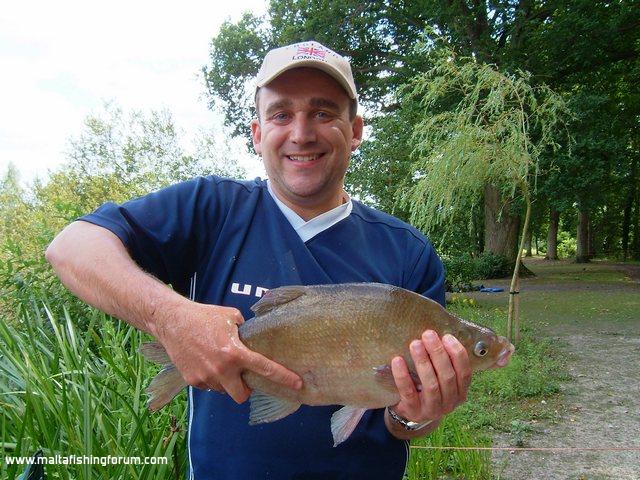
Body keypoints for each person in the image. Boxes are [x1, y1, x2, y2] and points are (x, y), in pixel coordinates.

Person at [46, 40, 508, 479]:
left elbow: (400, 424)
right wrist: (170, 318)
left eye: (323, 112)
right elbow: (71, 247)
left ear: (355, 130)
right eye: (281, 114)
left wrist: (415, 415)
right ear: (258, 132)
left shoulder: (408, 251)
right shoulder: (212, 208)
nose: (301, 133)